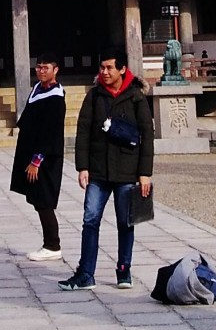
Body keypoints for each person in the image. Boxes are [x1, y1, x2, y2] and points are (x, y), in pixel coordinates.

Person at [59, 47, 153, 292]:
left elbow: (147, 135)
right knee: (90, 219)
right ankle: (86, 273)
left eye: (110, 67)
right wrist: (82, 167)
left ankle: (124, 269)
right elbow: (83, 131)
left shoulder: (136, 96)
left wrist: (145, 173)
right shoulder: (94, 96)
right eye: (102, 67)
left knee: (125, 222)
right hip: (98, 170)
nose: (105, 72)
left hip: (127, 169)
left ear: (122, 69)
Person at [10, 53, 66, 261]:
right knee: (37, 200)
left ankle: (52, 245)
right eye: (39, 67)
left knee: (44, 201)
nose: (41, 71)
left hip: (46, 158)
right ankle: (50, 243)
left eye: (46, 67)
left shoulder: (56, 97)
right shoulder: (37, 89)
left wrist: (36, 161)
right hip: (32, 151)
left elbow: (50, 132)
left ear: (55, 70)